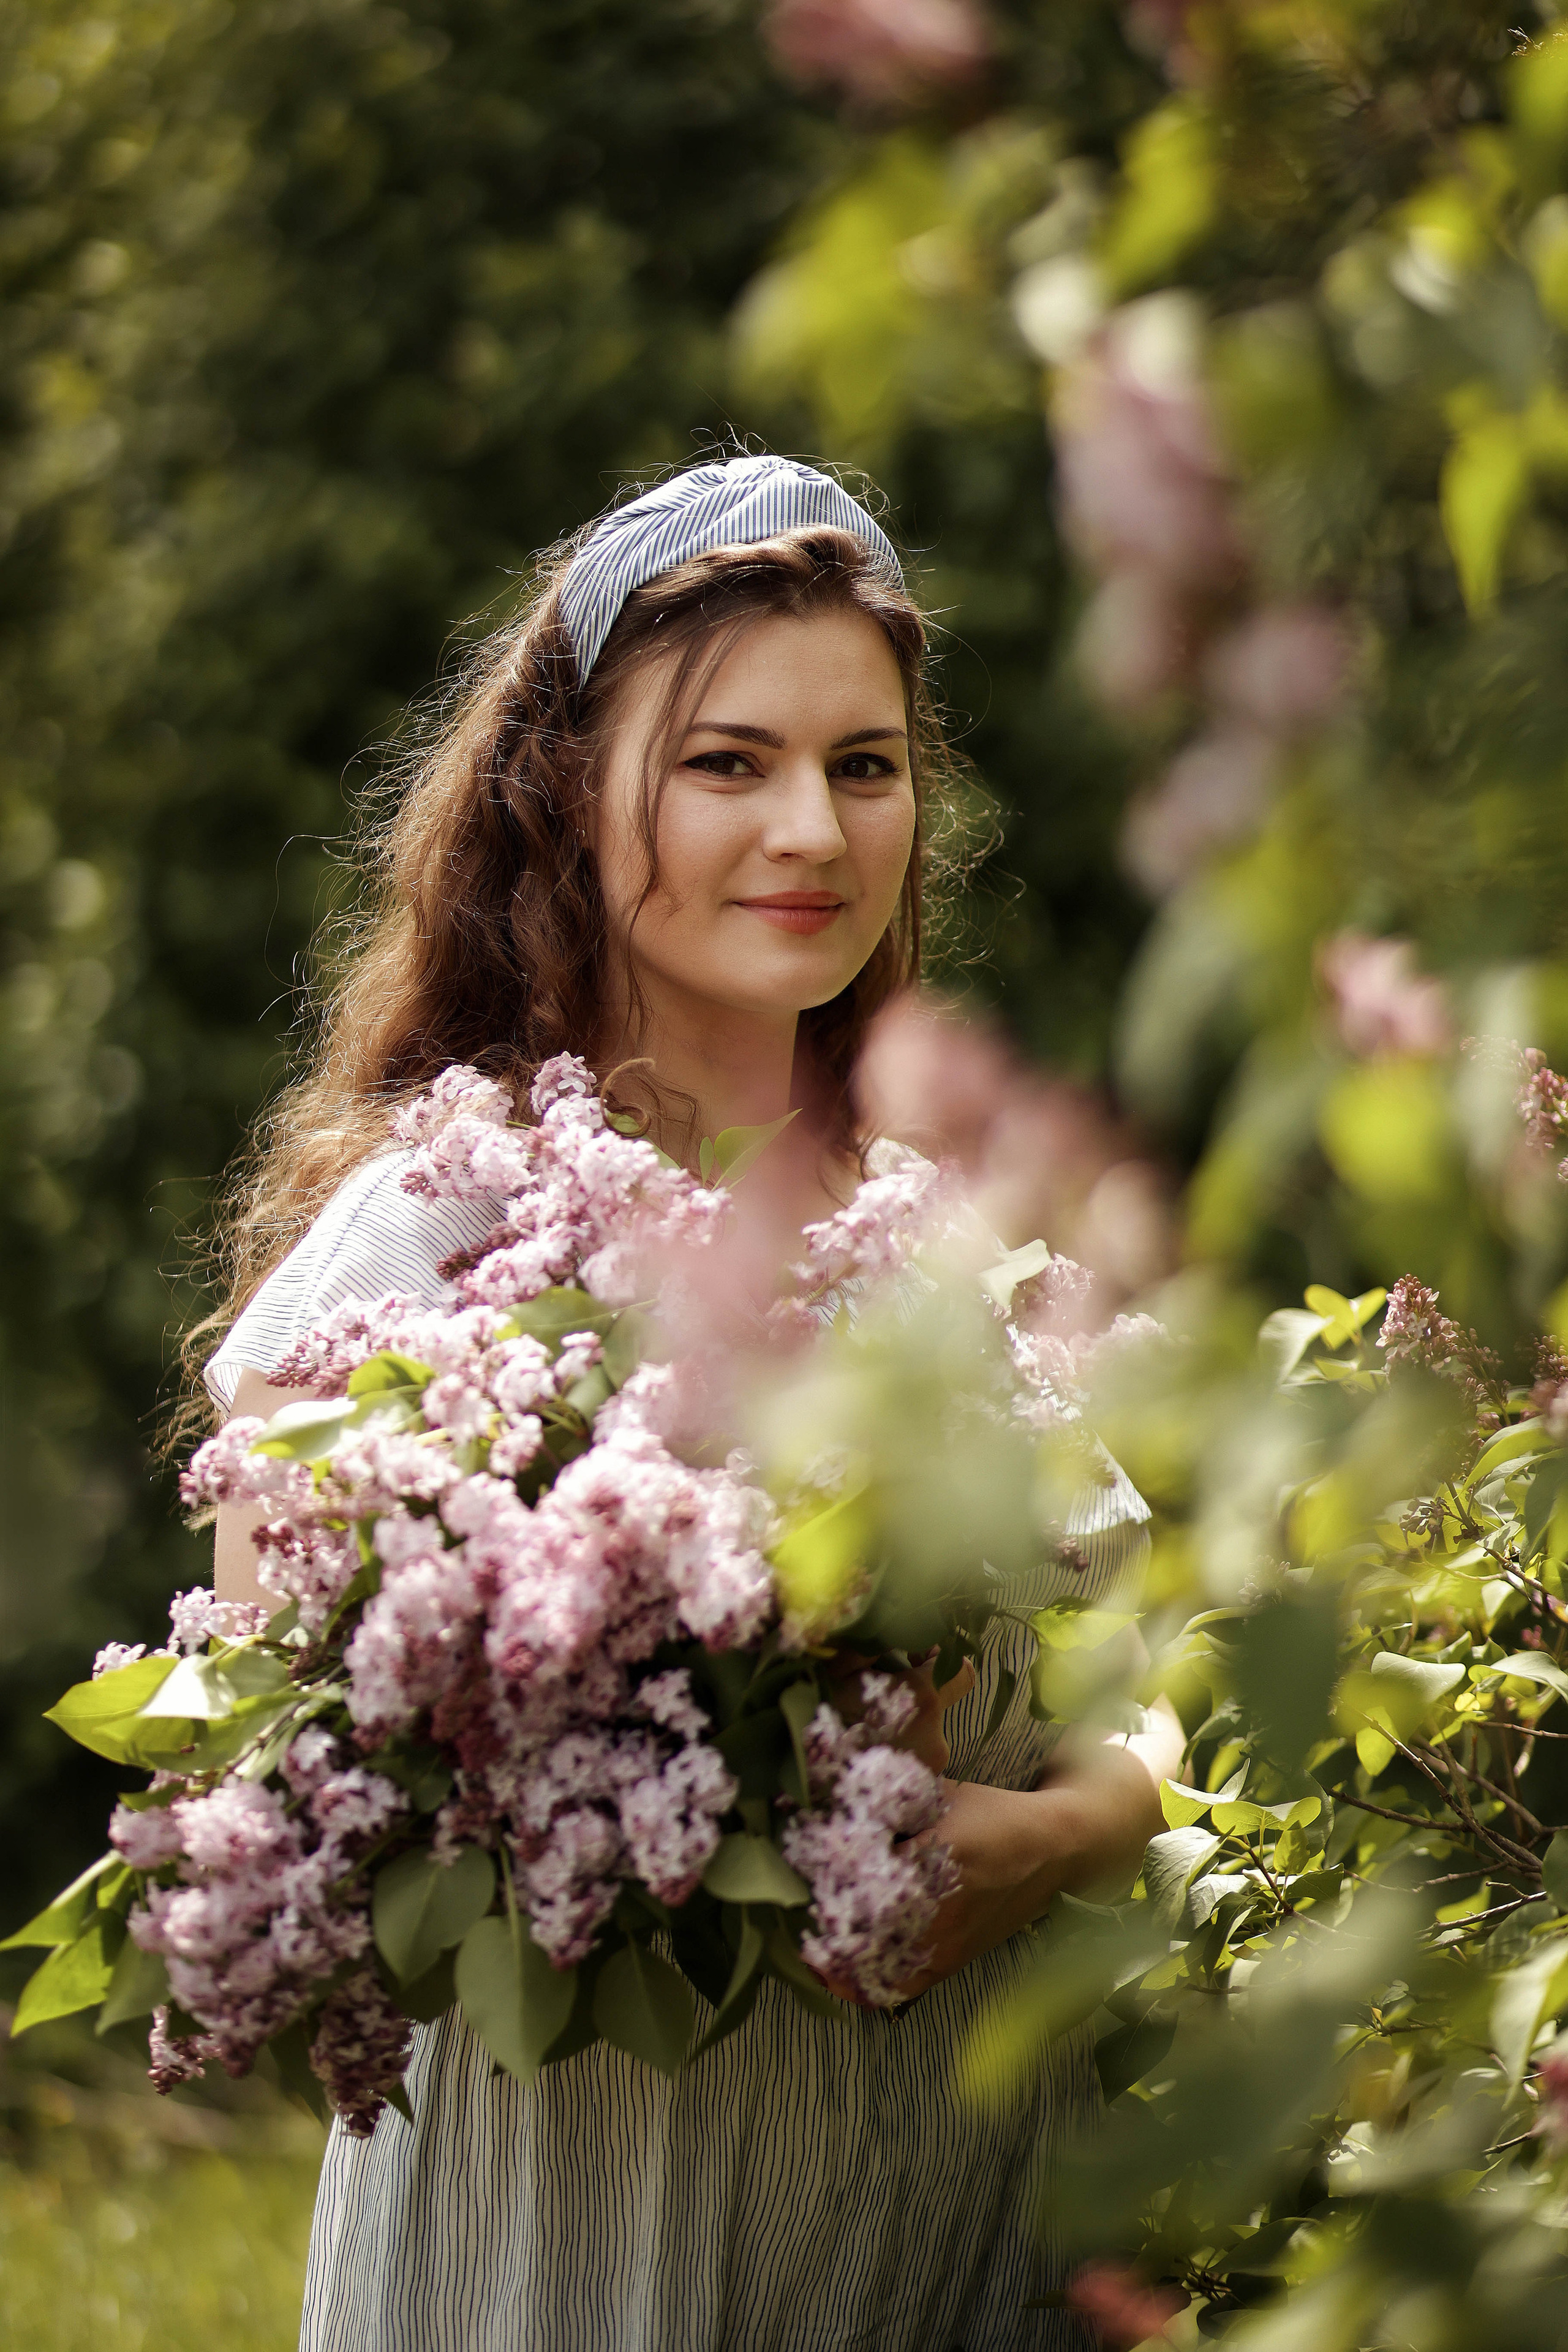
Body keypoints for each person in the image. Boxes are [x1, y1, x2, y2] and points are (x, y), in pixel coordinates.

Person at [200, 452, 1184, 2351]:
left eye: (864, 764)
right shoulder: (439, 1238)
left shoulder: (940, 1240)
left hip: (960, 2242)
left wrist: (1071, 1831)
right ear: (569, 792)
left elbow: (1140, 1666)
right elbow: (285, 1775)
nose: (812, 828)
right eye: (729, 763)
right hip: (591, 2266)